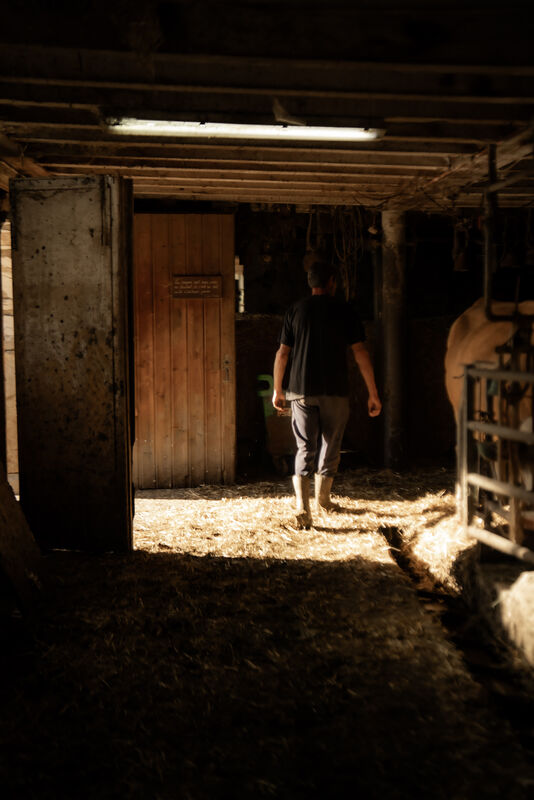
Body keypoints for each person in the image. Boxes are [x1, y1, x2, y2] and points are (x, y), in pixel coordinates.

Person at [272, 260, 381, 528]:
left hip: (301, 391)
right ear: (332, 282)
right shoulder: (345, 311)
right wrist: (373, 393)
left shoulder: (295, 311)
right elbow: (360, 353)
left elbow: (283, 353)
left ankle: (303, 508)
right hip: (335, 391)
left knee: (304, 447)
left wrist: (277, 389)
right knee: (331, 445)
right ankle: (323, 500)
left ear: (310, 283)